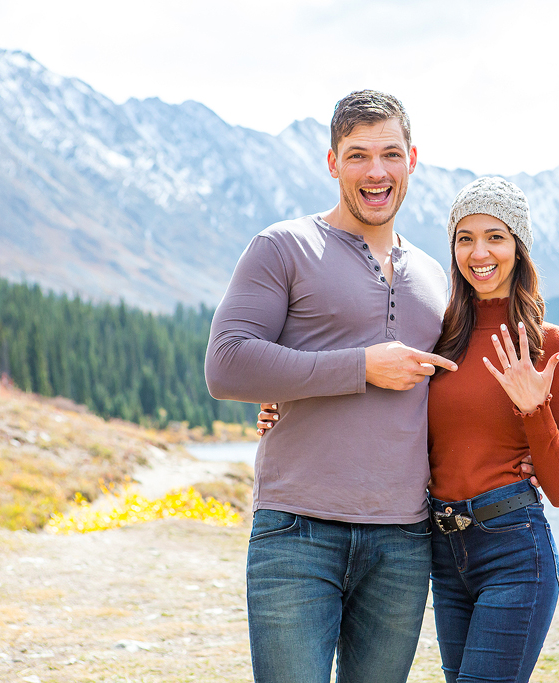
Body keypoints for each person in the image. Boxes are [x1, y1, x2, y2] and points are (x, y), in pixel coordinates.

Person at [260, 176, 559, 682]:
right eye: (465, 238)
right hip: (443, 551)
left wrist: (533, 410)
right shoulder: (439, 332)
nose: (479, 253)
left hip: (514, 549)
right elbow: (383, 396)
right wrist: (287, 403)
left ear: (519, 247)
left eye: (495, 237)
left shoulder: (554, 347)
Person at [205, 90, 459, 683]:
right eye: (358, 155)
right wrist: (358, 367)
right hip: (298, 530)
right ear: (332, 162)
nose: (376, 172)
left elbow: (450, 392)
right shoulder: (283, 247)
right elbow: (227, 363)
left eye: (390, 154)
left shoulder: (434, 276)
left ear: (412, 159)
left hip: (403, 539)